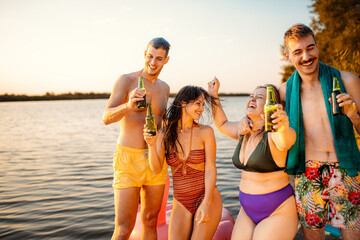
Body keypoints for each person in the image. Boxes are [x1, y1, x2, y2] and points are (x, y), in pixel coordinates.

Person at [280, 23, 360, 240]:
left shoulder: (348, 81)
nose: (306, 56)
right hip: (307, 173)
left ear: (317, 46)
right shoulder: (284, 91)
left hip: (346, 170)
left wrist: (352, 114)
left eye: (310, 48)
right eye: (298, 52)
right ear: (288, 56)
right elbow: (259, 120)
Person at [208, 77, 298, 240]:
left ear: (270, 105)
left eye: (260, 97)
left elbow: (286, 140)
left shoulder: (274, 134)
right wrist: (213, 95)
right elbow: (221, 124)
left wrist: (283, 127)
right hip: (247, 211)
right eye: (251, 95)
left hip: (278, 210)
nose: (252, 98)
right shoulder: (244, 130)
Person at [102, 37, 171, 240]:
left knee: (150, 221)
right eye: (150, 56)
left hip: (155, 159)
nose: (153, 62)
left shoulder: (165, 88)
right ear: (144, 54)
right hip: (128, 159)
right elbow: (106, 117)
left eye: (159, 58)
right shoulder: (127, 80)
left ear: (166, 60)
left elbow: (163, 125)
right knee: (124, 229)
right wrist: (128, 106)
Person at [143, 85, 223, 240]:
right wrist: (151, 144)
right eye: (198, 103)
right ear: (184, 103)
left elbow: (211, 168)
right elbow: (156, 169)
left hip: (207, 196)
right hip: (181, 201)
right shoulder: (164, 133)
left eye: (203, 104)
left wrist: (207, 202)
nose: (201, 108)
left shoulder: (205, 132)